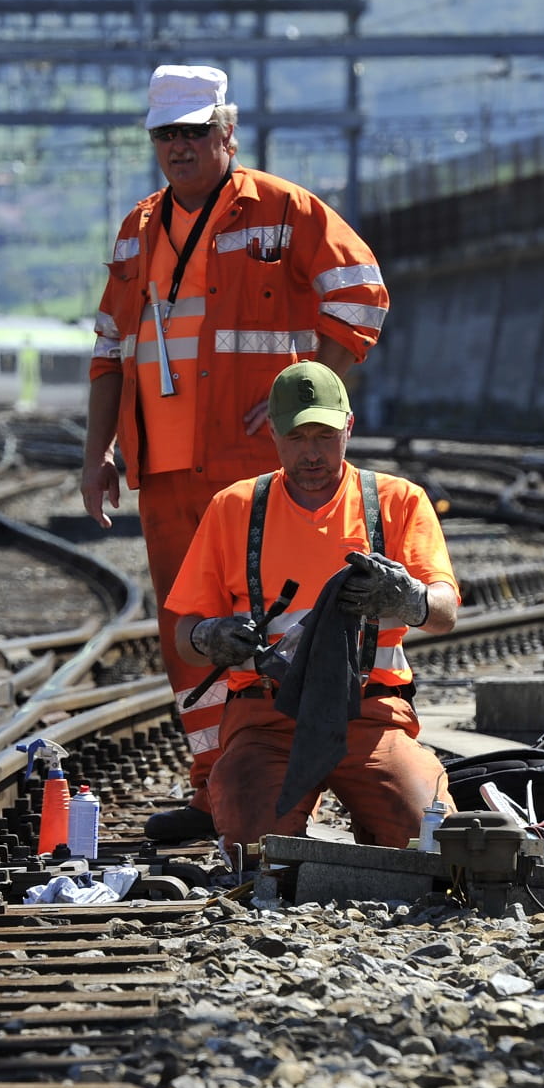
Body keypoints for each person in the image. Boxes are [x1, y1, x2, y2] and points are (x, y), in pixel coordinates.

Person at [79, 64, 390, 843]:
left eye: (193, 130)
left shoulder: (283, 212)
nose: (178, 146)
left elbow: (362, 293)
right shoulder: (138, 229)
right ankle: (215, 783)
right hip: (165, 469)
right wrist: (100, 453)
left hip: (250, 464)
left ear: (227, 129)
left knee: (271, 621)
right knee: (189, 626)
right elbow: (112, 347)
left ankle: (285, 779)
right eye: (165, 133)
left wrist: (304, 386)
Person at [164, 360, 458, 857]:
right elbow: (183, 637)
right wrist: (209, 637)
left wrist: (409, 598)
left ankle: (374, 821)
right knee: (254, 850)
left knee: (424, 841)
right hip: (265, 718)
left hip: (369, 715)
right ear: (275, 435)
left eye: (324, 435)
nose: (312, 453)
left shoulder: (399, 501)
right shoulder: (233, 508)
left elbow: (445, 611)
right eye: (298, 437)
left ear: (349, 427)